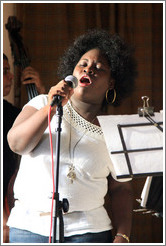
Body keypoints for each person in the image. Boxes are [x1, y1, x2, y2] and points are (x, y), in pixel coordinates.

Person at [7, 29, 137, 243]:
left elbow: (121, 187)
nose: (89, 69)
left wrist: (122, 235)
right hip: (28, 229)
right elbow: (17, 144)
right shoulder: (40, 104)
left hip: (88, 232)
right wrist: (51, 107)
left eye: (99, 67)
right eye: (83, 64)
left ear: (111, 83)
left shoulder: (113, 130)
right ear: (72, 72)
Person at [3, 53, 45, 243]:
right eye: (4, 72)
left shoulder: (9, 113)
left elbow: (41, 128)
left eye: (9, 71)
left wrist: (42, 95)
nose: (12, 77)